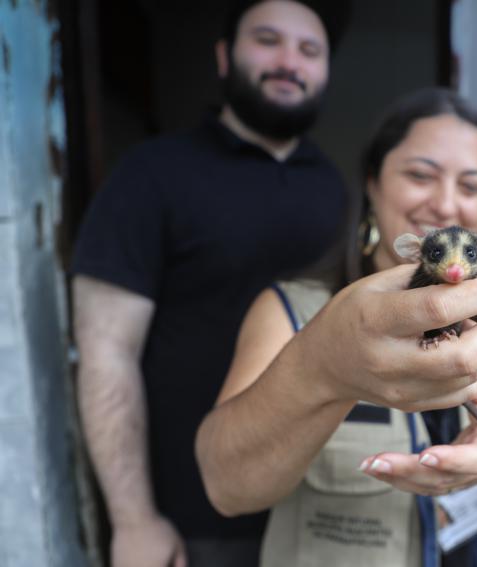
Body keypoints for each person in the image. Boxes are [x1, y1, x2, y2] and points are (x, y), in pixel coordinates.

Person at [195, 88, 477, 567]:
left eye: (470, 186)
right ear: (372, 182)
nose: (446, 205)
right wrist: (321, 367)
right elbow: (226, 486)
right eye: (421, 175)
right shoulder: (292, 310)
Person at [71, 1, 348, 565]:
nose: (288, 62)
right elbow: (106, 353)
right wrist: (134, 519)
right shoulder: (152, 175)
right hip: (191, 526)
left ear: (324, 72)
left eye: (308, 50)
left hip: (323, 517)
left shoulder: (335, 191)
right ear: (225, 57)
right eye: (267, 40)